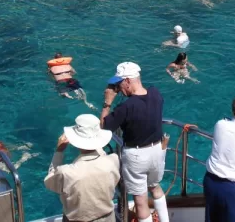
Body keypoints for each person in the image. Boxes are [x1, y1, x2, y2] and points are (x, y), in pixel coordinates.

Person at [100, 62, 169, 222]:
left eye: (119, 83)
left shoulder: (126, 107)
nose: (118, 88)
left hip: (137, 156)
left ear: (128, 81)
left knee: (140, 200)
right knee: (155, 188)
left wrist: (108, 101)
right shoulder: (155, 93)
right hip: (158, 149)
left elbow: (104, 126)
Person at [44, 114, 120, 222]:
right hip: (109, 218)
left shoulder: (67, 172)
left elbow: (49, 182)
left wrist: (59, 151)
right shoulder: (113, 161)